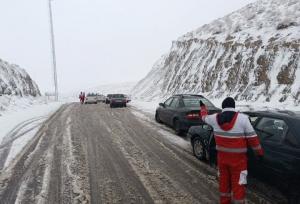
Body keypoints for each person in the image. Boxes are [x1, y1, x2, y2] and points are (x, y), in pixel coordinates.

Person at [200, 97, 263, 204]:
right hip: (239, 162)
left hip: (222, 160)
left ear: (223, 107)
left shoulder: (214, 118)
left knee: (224, 185)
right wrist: (259, 154)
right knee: (239, 186)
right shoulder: (243, 119)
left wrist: (203, 107)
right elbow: (253, 139)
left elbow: (204, 117)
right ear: (233, 107)